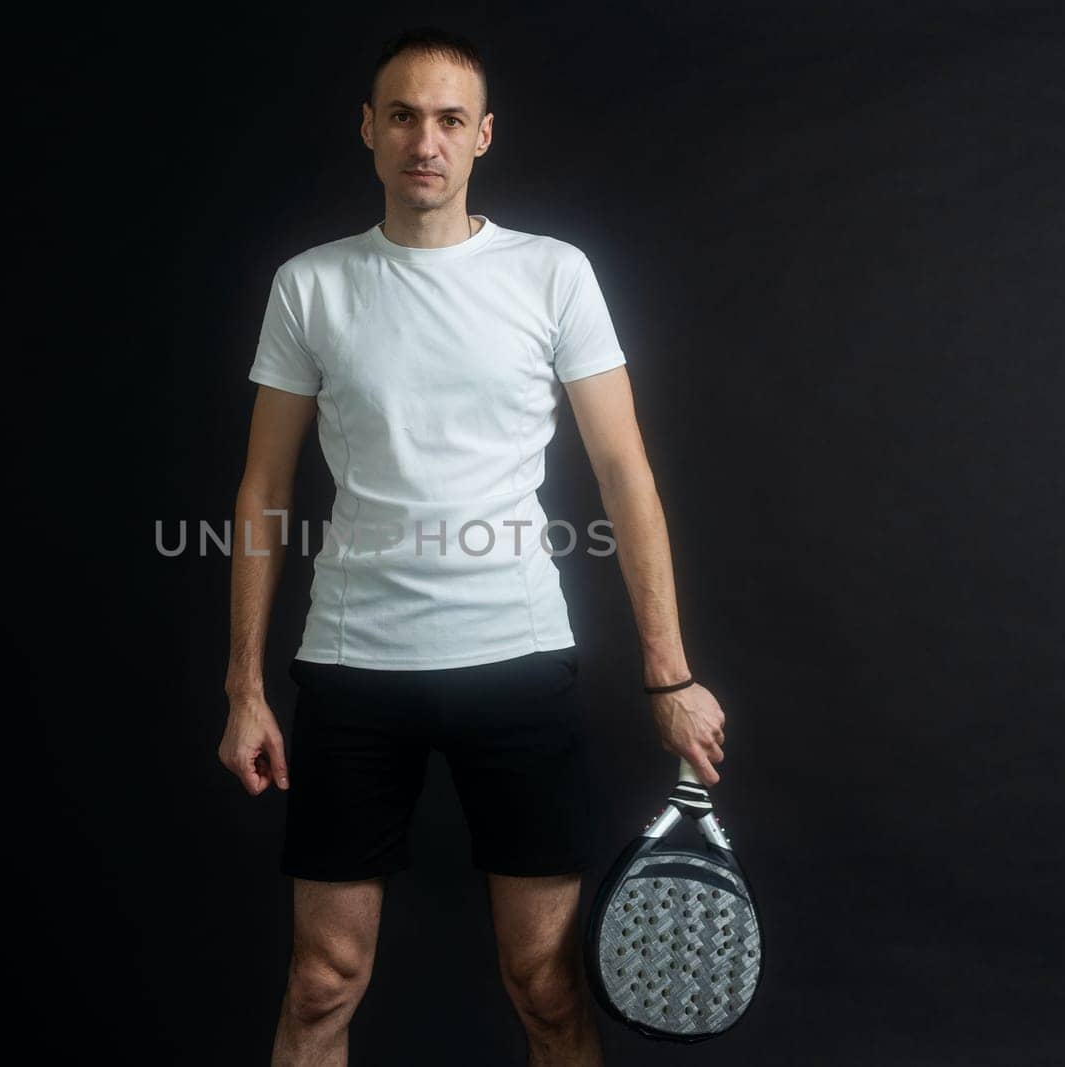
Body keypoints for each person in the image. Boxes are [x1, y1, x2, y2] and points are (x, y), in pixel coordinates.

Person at [218, 26, 728, 1067]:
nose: (425, 140)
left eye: (449, 119)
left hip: (518, 663)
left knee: (545, 984)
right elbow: (264, 489)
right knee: (320, 983)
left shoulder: (551, 275)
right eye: (402, 115)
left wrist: (668, 673)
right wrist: (244, 687)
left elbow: (624, 476)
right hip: (355, 669)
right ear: (368, 131)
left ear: (482, 135)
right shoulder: (311, 284)